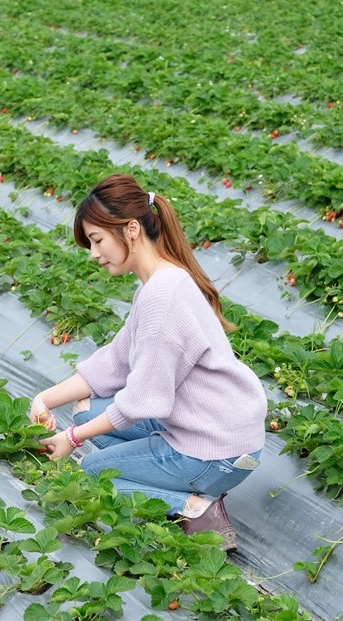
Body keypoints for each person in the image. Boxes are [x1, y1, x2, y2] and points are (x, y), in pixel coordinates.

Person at [29, 174, 267, 551]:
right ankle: (180, 482)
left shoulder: (163, 296)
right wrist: (45, 398)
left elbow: (142, 401)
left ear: (132, 230)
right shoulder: (160, 282)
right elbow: (115, 362)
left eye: (97, 240)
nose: (94, 253)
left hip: (216, 451)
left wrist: (72, 440)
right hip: (211, 429)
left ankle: (194, 505)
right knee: (86, 412)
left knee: (93, 474)